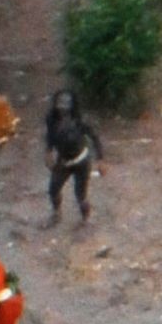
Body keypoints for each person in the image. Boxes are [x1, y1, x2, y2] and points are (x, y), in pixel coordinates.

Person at [44, 89, 104, 225]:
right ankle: (56, 213)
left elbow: (94, 138)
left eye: (66, 106)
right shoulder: (51, 119)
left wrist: (100, 159)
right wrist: (48, 151)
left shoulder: (80, 121)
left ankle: (86, 219)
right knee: (53, 189)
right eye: (60, 105)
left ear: (72, 107)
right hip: (64, 161)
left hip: (81, 161)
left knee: (80, 195)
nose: (62, 109)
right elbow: (50, 136)